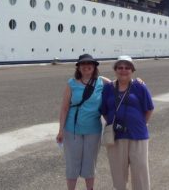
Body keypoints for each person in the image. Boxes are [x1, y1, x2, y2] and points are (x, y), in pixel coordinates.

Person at [56, 54, 110, 190]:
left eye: (89, 64)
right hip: (72, 130)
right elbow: (64, 108)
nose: (86, 66)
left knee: (90, 164)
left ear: (94, 67)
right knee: (72, 163)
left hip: (93, 130)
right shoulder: (71, 83)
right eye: (83, 64)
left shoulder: (102, 82)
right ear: (78, 67)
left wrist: (136, 81)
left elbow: (121, 84)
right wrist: (61, 130)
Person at [101, 55, 154, 190]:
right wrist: (114, 123)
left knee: (140, 170)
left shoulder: (140, 86)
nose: (123, 70)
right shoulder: (108, 88)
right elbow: (104, 110)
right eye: (120, 67)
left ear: (132, 70)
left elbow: (149, 109)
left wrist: (141, 123)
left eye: (127, 68)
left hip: (138, 135)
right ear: (115, 70)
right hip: (116, 136)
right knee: (118, 172)